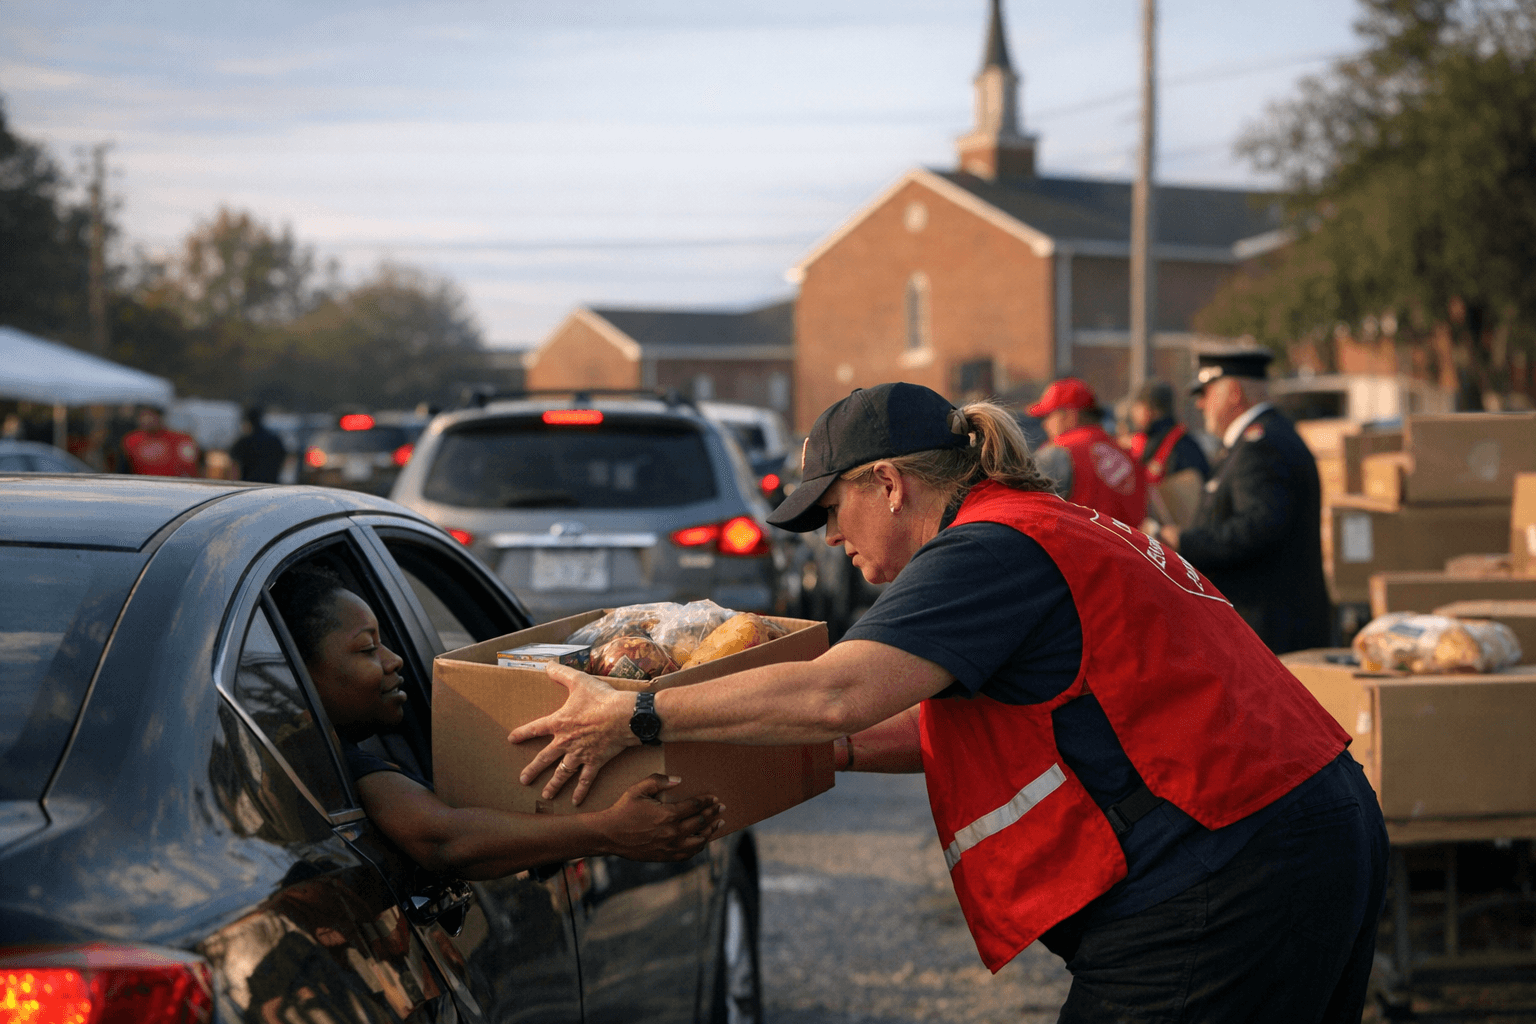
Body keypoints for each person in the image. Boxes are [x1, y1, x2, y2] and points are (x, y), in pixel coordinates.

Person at [508, 381, 1388, 1023]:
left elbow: (839, 692)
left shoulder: (987, 549)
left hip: (1226, 870)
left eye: (830, 511)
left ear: (888, 483)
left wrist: (632, 715)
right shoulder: (1036, 522)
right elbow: (915, 716)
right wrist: (819, 754)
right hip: (1303, 828)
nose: (832, 541)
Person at [271, 566, 723, 879]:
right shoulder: (341, 768)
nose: (394, 660)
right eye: (367, 648)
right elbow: (442, 840)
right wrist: (608, 829)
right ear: (297, 673)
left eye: (384, 643)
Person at [1160, 350, 1332, 655]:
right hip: (1268, 627)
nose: (1200, 404)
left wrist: (1184, 542)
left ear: (1234, 393)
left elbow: (1258, 527)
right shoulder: (1259, 440)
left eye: (1206, 393)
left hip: (1268, 631)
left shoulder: (1261, 445)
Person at [1027, 377, 1147, 526]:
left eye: (1048, 416)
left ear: (1070, 415)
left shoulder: (1057, 453)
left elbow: (1027, 514)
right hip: (1126, 547)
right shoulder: (1129, 455)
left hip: (1075, 546)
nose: (1045, 424)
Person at [1127, 379, 1210, 484]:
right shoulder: (1145, 441)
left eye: (1137, 406)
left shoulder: (1182, 448)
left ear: (1151, 409)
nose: (1133, 413)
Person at [120, 405, 200, 477]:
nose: (148, 419)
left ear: (160, 416)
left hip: (172, 485)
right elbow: (124, 468)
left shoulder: (180, 439)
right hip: (141, 485)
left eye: (152, 415)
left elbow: (191, 469)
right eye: (145, 415)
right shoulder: (131, 439)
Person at [230, 406, 287, 483]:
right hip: (271, 484)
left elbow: (234, 462)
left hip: (249, 484)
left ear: (248, 421)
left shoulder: (244, 441)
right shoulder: (275, 440)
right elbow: (283, 457)